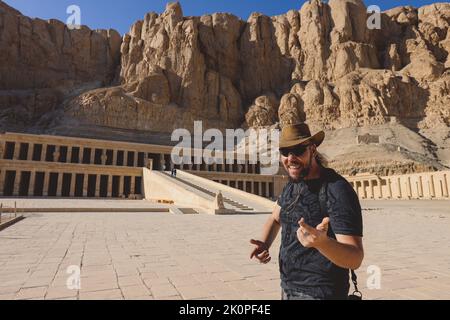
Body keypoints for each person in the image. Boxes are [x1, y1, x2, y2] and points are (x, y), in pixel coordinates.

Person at [250, 123, 364, 300]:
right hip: (287, 287)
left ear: (312, 149)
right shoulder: (292, 185)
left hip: (322, 293)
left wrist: (322, 243)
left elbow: (355, 258)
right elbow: (276, 218)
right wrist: (264, 243)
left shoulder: (336, 189)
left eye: (298, 150)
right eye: (285, 152)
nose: (290, 158)